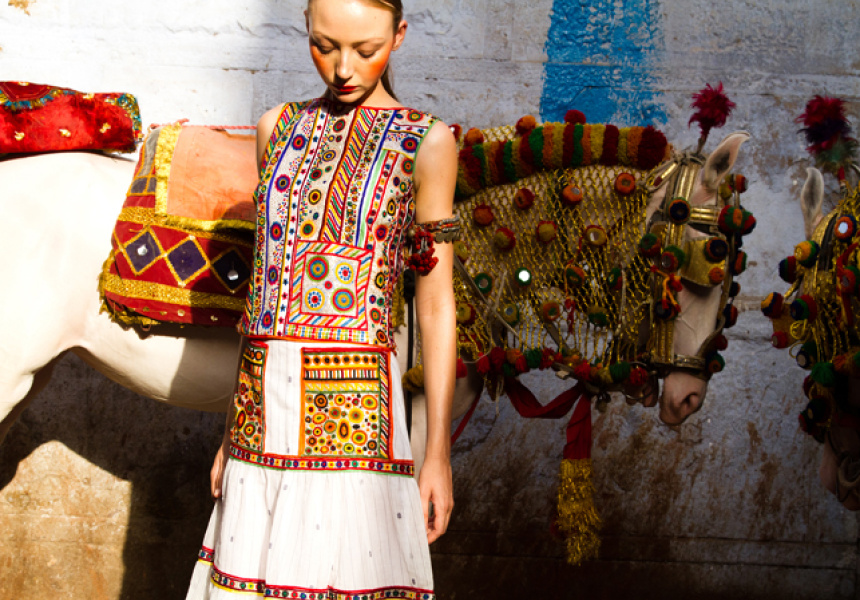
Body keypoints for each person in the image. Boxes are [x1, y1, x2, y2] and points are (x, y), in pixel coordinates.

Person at [185, 0, 458, 597]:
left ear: (399, 36)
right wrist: (231, 431)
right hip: (261, 412)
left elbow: (436, 305)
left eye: (366, 50)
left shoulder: (428, 142)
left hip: (355, 413)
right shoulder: (276, 128)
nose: (342, 69)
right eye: (324, 46)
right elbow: (265, 289)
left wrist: (436, 452)